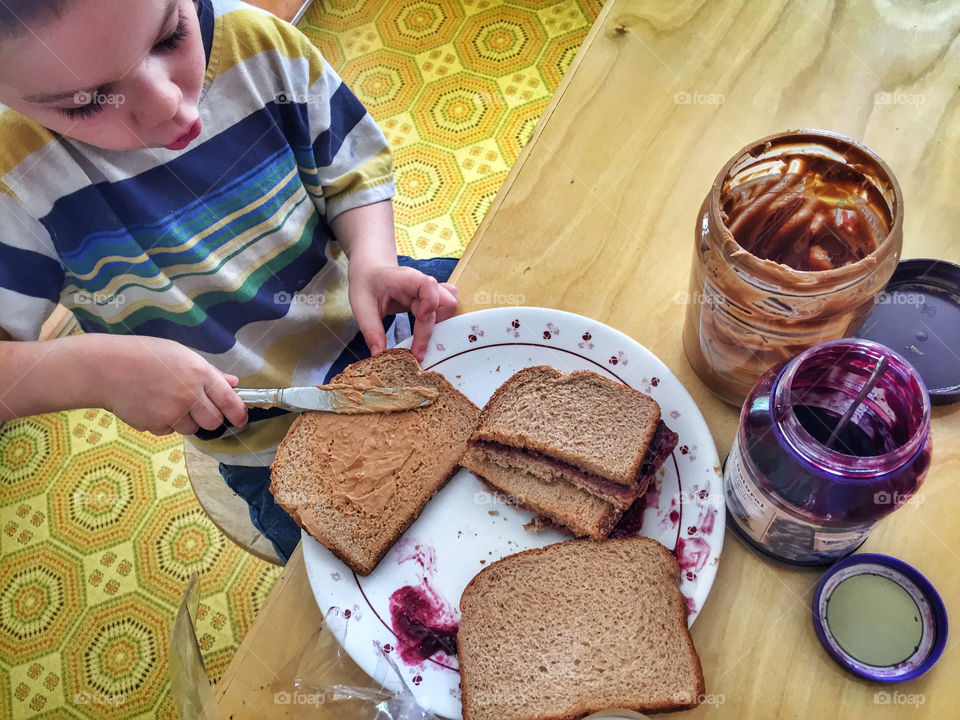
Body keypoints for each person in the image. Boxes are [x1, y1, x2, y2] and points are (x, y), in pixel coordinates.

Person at [0, 0, 459, 562]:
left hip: (376, 323)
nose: (167, 104)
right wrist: (95, 370)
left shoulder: (257, 46)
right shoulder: (15, 187)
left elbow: (350, 167)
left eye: (171, 35)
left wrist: (371, 254)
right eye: (86, 102)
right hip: (267, 442)